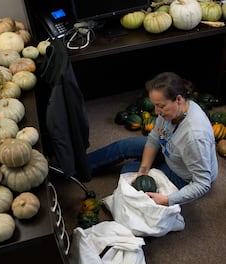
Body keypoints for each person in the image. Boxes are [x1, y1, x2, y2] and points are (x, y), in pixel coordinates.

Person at [87, 71, 218, 206]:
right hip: (171, 150)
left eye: (160, 106)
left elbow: (203, 183)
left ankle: (154, 171)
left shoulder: (195, 137)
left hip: (183, 176)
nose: (156, 112)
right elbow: (154, 139)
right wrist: (143, 171)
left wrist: (167, 200)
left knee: (129, 170)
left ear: (179, 99)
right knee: (124, 146)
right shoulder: (172, 111)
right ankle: (77, 167)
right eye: (155, 105)